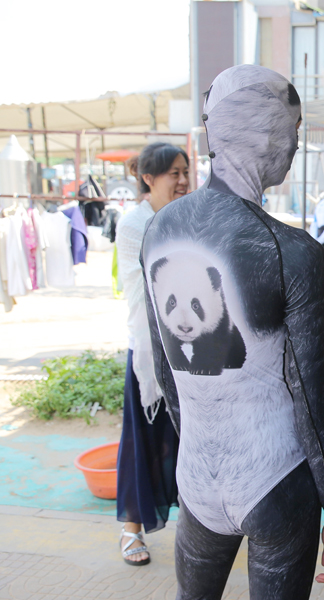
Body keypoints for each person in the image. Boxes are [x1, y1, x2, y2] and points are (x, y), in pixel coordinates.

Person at [140, 65, 324, 599]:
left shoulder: (160, 229)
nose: (297, 144)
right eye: (293, 130)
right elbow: (311, 395)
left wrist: (200, 445)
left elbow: (168, 368)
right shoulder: (292, 251)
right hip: (274, 477)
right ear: (265, 133)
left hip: (200, 475)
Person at [115, 142, 187, 565]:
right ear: (147, 178)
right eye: (172, 174)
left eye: (185, 172)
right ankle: (131, 529)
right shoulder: (135, 224)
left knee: (188, 443)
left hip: (188, 350)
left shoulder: (181, 217)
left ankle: (198, 525)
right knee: (143, 440)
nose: (181, 181)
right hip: (149, 350)